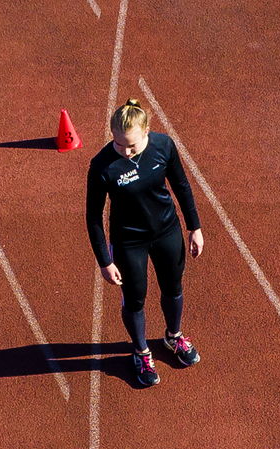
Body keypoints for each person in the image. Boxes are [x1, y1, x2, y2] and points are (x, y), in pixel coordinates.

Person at [86, 99, 205, 389]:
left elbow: (181, 186)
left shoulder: (164, 147)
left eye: (132, 147)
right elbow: (93, 218)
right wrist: (105, 260)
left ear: (147, 132)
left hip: (167, 232)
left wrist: (195, 227)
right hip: (129, 242)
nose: (125, 152)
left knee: (173, 287)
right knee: (135, 299)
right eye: (118, 145)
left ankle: (173, 337)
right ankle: (141, 352)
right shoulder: (101, 166)